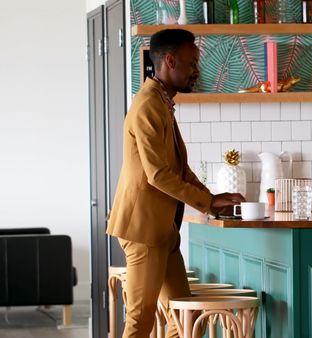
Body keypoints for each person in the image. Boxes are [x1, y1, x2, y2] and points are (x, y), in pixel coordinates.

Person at [106, 29, 245, 338]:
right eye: (192, 63)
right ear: (170, 60)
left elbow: (179, 170)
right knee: (140, 319)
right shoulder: (148, 105)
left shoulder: (160, 102)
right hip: (143, 230)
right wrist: (208, 203)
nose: (197, 71)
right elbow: (157, 175)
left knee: (183, 317)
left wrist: (212, 198)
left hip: (162, 229)